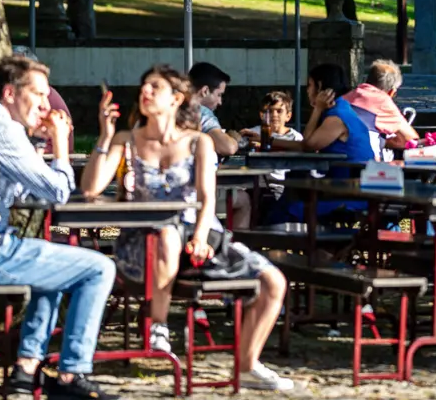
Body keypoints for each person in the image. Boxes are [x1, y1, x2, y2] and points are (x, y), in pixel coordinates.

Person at [79, 66, 293, 391]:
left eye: (155, 87)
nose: (146, 92)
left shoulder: (199, 143)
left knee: (273, 282)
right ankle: (158, 327)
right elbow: (91, 190)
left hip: (196, 232)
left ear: (177, 99)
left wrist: (200, 237)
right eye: (144, 87)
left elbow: (207, 199)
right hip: (142, 242)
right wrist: (105, 136)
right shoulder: (128, 140)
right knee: (166, 234)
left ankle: (248, 363)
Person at [0, 55, 117, 400]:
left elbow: (20, 190)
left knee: (58, 269)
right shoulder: (3, 130)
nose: (46, 105)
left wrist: (38, 142)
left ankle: (26, 371)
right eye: (39, 95)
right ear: (11, 93)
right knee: (100, 268)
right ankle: (73, 374)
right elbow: (57, 192)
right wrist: (60, 142)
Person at [270, 64, 376, 222]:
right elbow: (306, 144)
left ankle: (271, 238)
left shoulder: (337, 117)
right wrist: (268, 140)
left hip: (348, 191)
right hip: (340, 184)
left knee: (288, 203)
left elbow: (308, 146)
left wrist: (317, 108)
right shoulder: (340, 109)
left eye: (310, 85)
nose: (307, 90)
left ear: (320, 86)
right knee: (291, 191)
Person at [343, 59, 420, 159]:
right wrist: (383, 141)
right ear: (391, 91)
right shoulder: (383, 101)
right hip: (366, 164)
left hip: (335, 160)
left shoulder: (347, 96)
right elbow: (410, 139)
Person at [239, 91, 303, 201]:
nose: (274, 115)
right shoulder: (253, 133)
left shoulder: (295, 137)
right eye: (269, 111)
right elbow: (236, 151)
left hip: (281, 186)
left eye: (279, 111)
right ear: (261, 114)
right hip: (251, 184)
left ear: (288, 116)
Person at [188, 62, 239, 157]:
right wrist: (234, 139)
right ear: (205, 91)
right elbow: (228, 147)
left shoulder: (172, 107)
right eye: (219, 95)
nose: (220, 102)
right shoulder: (202, 112)